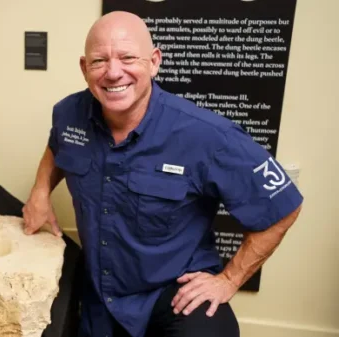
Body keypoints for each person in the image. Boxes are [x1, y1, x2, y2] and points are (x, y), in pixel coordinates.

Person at [22, 10, 303, 337]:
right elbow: (59, 145)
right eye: (99, 61)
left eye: (128, 57)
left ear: (154, 61)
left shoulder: (208, 135)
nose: (114, 72)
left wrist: (229, 280)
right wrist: (40, 192)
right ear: (85, 68)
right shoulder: (68, 114)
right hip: (101, 294)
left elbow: (284, 205)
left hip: (173, 294)